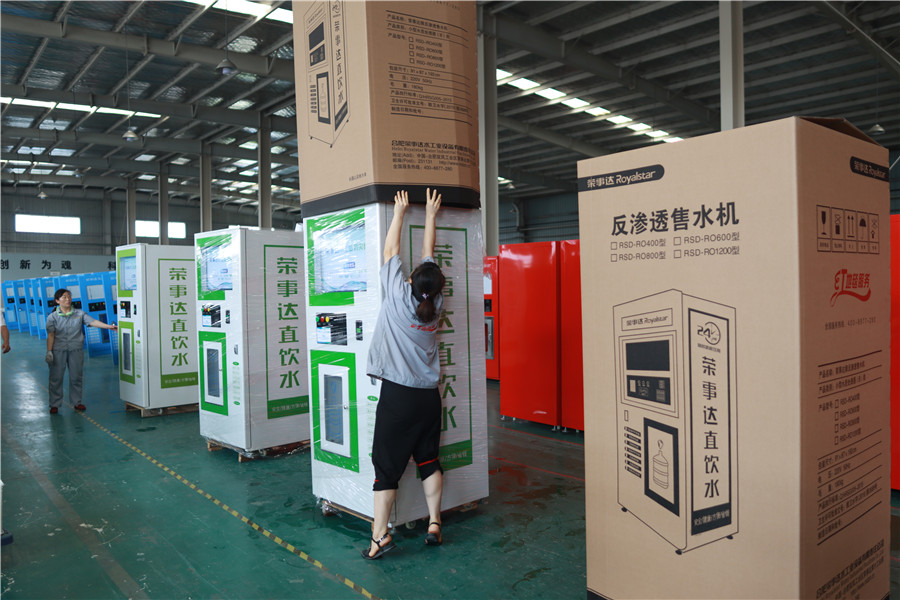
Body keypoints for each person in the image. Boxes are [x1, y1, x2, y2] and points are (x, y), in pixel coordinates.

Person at [363, 188, 446, 560]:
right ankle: (434, 523)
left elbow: (389, 252)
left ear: (412, 280)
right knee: (428, 459)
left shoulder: (398, 296)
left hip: (398, 396)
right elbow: (428, 259)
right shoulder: (437, 304)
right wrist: (429, 216)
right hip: (429, 397)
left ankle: (379, 537)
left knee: (386, 467)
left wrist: (399, 212)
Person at [46, 288, 117, 414]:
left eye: (69, 296)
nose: (68, 299)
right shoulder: (52, 317)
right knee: (56, 378)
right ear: (57, 301)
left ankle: (77, 402)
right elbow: (50, 335)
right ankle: (54, 404)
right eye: (64, 297)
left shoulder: (79, 314)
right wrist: (49, 351)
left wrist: (109, 327)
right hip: (58, 350)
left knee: (76, 377)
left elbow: (93, 322)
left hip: (76, 350)